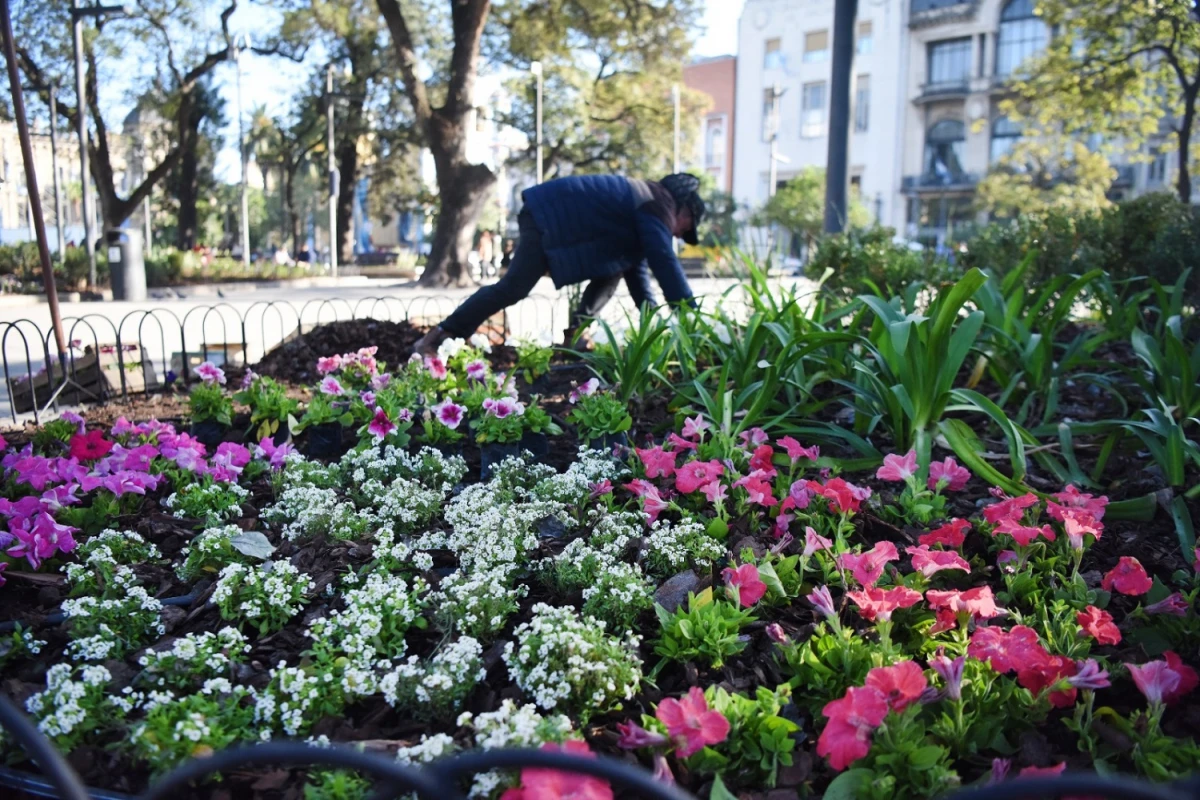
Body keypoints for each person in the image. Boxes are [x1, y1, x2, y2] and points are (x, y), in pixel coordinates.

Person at [413, 173, 704, 356]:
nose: (680, 234)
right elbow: (663, 262)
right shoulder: (658, 204)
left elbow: (637, 272)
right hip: (547, 216)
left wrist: (652, 320)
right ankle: (440, 336)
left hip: (549, 214)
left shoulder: (648, 202)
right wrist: (691, 317)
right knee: (513, 288)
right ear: (684, 207)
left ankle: (575, 337)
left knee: (614, 269)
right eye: (686, 226)